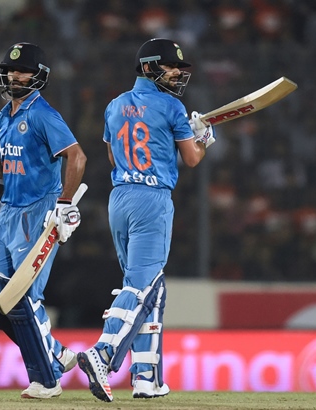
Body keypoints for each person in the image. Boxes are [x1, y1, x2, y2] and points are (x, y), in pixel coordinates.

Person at [77, 38, 215, 402]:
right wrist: (204, 137)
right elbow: (193, 159)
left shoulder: (115, 104)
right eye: (173, 68)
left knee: (150, 289)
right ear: (152, 67)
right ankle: (103, 353)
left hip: (119, 197)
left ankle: (146, 379)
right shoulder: (172, 106)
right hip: (152, 199)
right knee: (141, 287)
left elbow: (112, 155)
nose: (178, 75)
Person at [0, 42, 87, 399]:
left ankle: (46, 380)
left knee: (26, 297)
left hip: (39, 210)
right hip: (8, 216)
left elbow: (76, 157)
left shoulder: (43, 114)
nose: (15, 76)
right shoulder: (1, 119)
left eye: (23, 71)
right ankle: (57, 353)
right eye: (11, 70)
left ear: (39, 76)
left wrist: (63, 205)